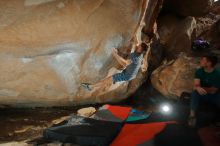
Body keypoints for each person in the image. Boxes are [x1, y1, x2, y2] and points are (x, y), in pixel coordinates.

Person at [81, 42, 148, 91]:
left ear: (140, 50)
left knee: (109, 79)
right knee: (112, 78)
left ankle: (90, 87)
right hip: (130, 72)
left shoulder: (136, 58)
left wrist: (114, 54)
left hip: (127, 75)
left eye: (139, 46)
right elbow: (137, 42)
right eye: (139, 45)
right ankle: (113, 80)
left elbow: (124, 63)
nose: (138, 45)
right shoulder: (140, 52)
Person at [188, 55, 220, 127]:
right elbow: (196, 84)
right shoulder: (199, 71)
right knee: (194, 93)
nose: (200, 61)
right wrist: (197, 87)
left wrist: (199, 87)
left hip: (214, 95)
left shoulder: (218, 73)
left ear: (209, 63)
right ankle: (192, 116)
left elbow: (214, 90)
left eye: (203, 60)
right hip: (203, 94)